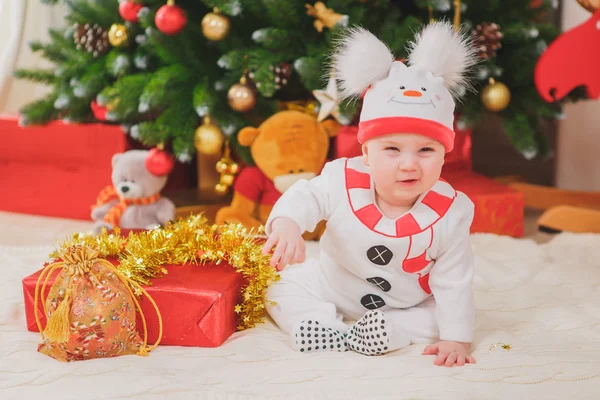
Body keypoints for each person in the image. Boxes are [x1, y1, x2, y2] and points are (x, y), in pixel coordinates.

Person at [262, 21, 478, 367]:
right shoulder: (342, 180)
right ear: (365, 154)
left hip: (406, 302)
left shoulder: (450, 214)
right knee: (278, 286)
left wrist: (456, 338)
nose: (409, 165)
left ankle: (388, 329)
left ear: (444, 155)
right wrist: (287, 223)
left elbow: (454, 280)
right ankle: (315, 323)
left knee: (438, 315)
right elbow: (307, 196)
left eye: (425, 151)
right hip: (332, 284)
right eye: (392, 149)